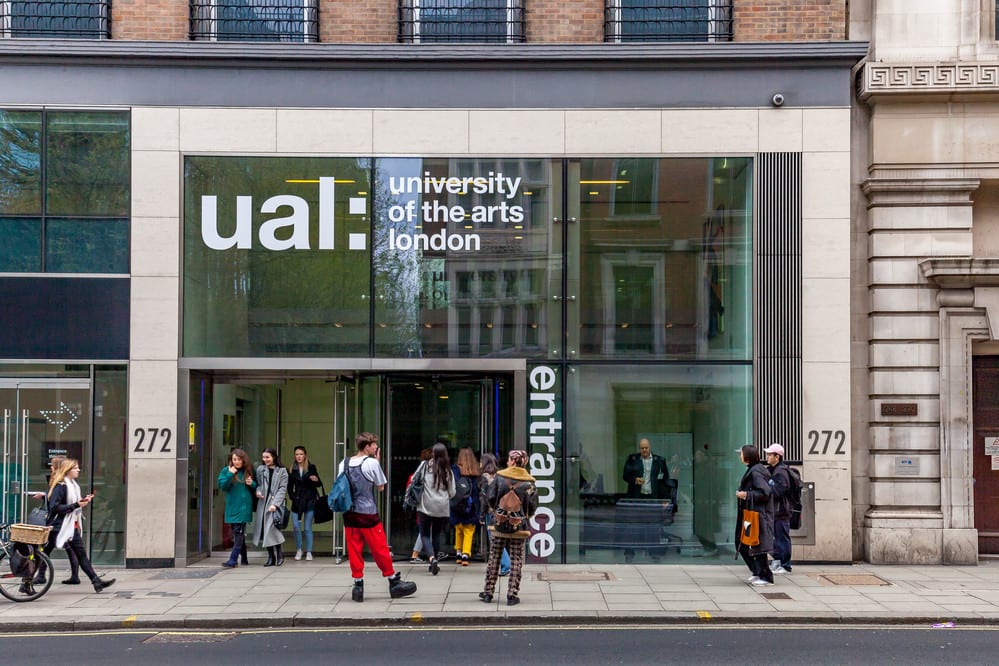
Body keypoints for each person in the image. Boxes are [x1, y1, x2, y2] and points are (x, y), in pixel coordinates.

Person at [340, 432, 416, 602]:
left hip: (349, 513)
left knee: (354, 549)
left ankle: (358, 584)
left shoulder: (343, 463)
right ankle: (393, 581)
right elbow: (380, 486)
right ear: (367, 446)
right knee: (379, 548)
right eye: (374, 444)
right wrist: (378, 463)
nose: (376, 447)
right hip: (368, 513)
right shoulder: (372, 463)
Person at [46, 458, 115, 593]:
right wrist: (76, 505)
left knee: (81, 554)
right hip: (59, 527)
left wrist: (82, 501)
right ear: (67, 470)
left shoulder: (73, 485)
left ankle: (96, 581)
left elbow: (73, 505)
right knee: (42, 554)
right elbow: (54, 507)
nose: (78, 470)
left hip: (70, 526)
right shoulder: (61, 486)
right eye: (75, 468)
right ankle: (28, 580)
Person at [479, 450, 538, 606]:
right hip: (518, 526)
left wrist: (495, 511)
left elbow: (490, 498)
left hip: (499, 524)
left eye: (509, 459)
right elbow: (532, 507)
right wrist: (525, 516)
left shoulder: (499, 477)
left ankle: (488, 592)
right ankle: (512, 595)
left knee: (494, 558)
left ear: (512, 461)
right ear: (523, 462)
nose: (506, 462)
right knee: (516, 560)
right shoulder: (529, 482)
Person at [621, 438, 671, 562]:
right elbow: (625, 475)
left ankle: (654, 553)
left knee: (653, 526)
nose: (644, 450)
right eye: (642, 448)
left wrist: (665, 498)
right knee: (632, 527)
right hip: (637, 497)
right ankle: (629, 553)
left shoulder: (659, 461)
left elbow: (665, 481)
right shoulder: (633, 459)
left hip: (652, 498)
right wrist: (634, 480)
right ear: (639, 448)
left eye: (646, 448)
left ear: (650, 447)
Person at [735, 444, 775, 587]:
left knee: (756, 545)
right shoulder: (754, 469)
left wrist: (746, 495)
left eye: (741, 453)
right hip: (751, 514)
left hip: (758, 515)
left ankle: (766, 576)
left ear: (748, 456)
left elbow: (765, 492)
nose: (740, 456)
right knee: (746, 543)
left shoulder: (756, 472)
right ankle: (758, 572)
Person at [416, 442, 455, 575]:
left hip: (426, 506)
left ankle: (432, 559)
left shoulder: (425, 466)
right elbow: (453, 491)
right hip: (442, 507)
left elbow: (416, 481)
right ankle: (435, 559)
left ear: (433, 453)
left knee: (425, 534)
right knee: (437, 534)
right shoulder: (448, 470)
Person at [30, 455, 65, 586]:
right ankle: (36, 577)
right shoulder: (57, 482)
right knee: (44, 551)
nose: (50, 467)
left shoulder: (60, 483)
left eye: (52, 465)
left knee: (44, 551)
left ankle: (35, 577)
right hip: (56, 524)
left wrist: (75, 505)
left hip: (57, 523)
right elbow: (55, 501)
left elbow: (55, 504)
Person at [217, 448, 256, 568]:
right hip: (232, 506)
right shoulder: (226, 471)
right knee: (238, 533)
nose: (236, 462)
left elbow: (257, 487)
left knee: (238, 534)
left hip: (244, 507)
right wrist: (230, 473)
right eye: (234, 459)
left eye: (239, 459)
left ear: (243, 460)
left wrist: (252, 484)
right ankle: (244, 558)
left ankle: (233, 560)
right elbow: (222, 486)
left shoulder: (248, 471)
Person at [254, 447, 288, 567]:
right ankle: (271, 557)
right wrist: (258, 492)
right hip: (263, 503)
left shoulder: (282, 471)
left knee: (272, 529)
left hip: (274, 503)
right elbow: (258, 484)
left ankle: (279, 554)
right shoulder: (260, 469)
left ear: (274, 457)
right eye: (264, 457)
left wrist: (275, 504)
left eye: (267, 457)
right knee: (265, 530)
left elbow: (282, 488)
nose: (265, 459)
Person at [478, 453, 510, 576]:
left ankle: (506, 566)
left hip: (491, 513)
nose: (479, 464)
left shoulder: (485, 478)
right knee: (499, 539)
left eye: (481, 462)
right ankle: (501, 566)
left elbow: (484, 499)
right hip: (501, 512)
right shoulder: (500, 476)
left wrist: (481, 515)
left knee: (495, 540)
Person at [287, 445, 321, 561]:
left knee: (307, 528)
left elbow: (318, 484)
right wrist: (293, 497)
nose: (299, 456)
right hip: (297, 500)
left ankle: (309, 551)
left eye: (301, 454)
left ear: (305, 455)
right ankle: (299, 549)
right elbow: (289, 487)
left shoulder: (311, 467)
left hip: (309, 500)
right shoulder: (292, 468)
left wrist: (315, 480)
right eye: (297, 454)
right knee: (296, 527)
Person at [765, 443, 793, 574]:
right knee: (775, 537)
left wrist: (767, 489)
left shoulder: (781, 472)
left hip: (781, 510)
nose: (767, 457)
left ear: (777, 456)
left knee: (782, 538)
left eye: (770, 455)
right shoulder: (773, 470)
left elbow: (780, 491)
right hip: (775, 511)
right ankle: (777, 561)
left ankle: (785, 565)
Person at [451, 446, 480, 566]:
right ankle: (465, 554)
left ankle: (458, 552)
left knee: (458, 529)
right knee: (469, 530)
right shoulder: (475, 469)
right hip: (470, 504)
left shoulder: (455, 469)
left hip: (457, 503)